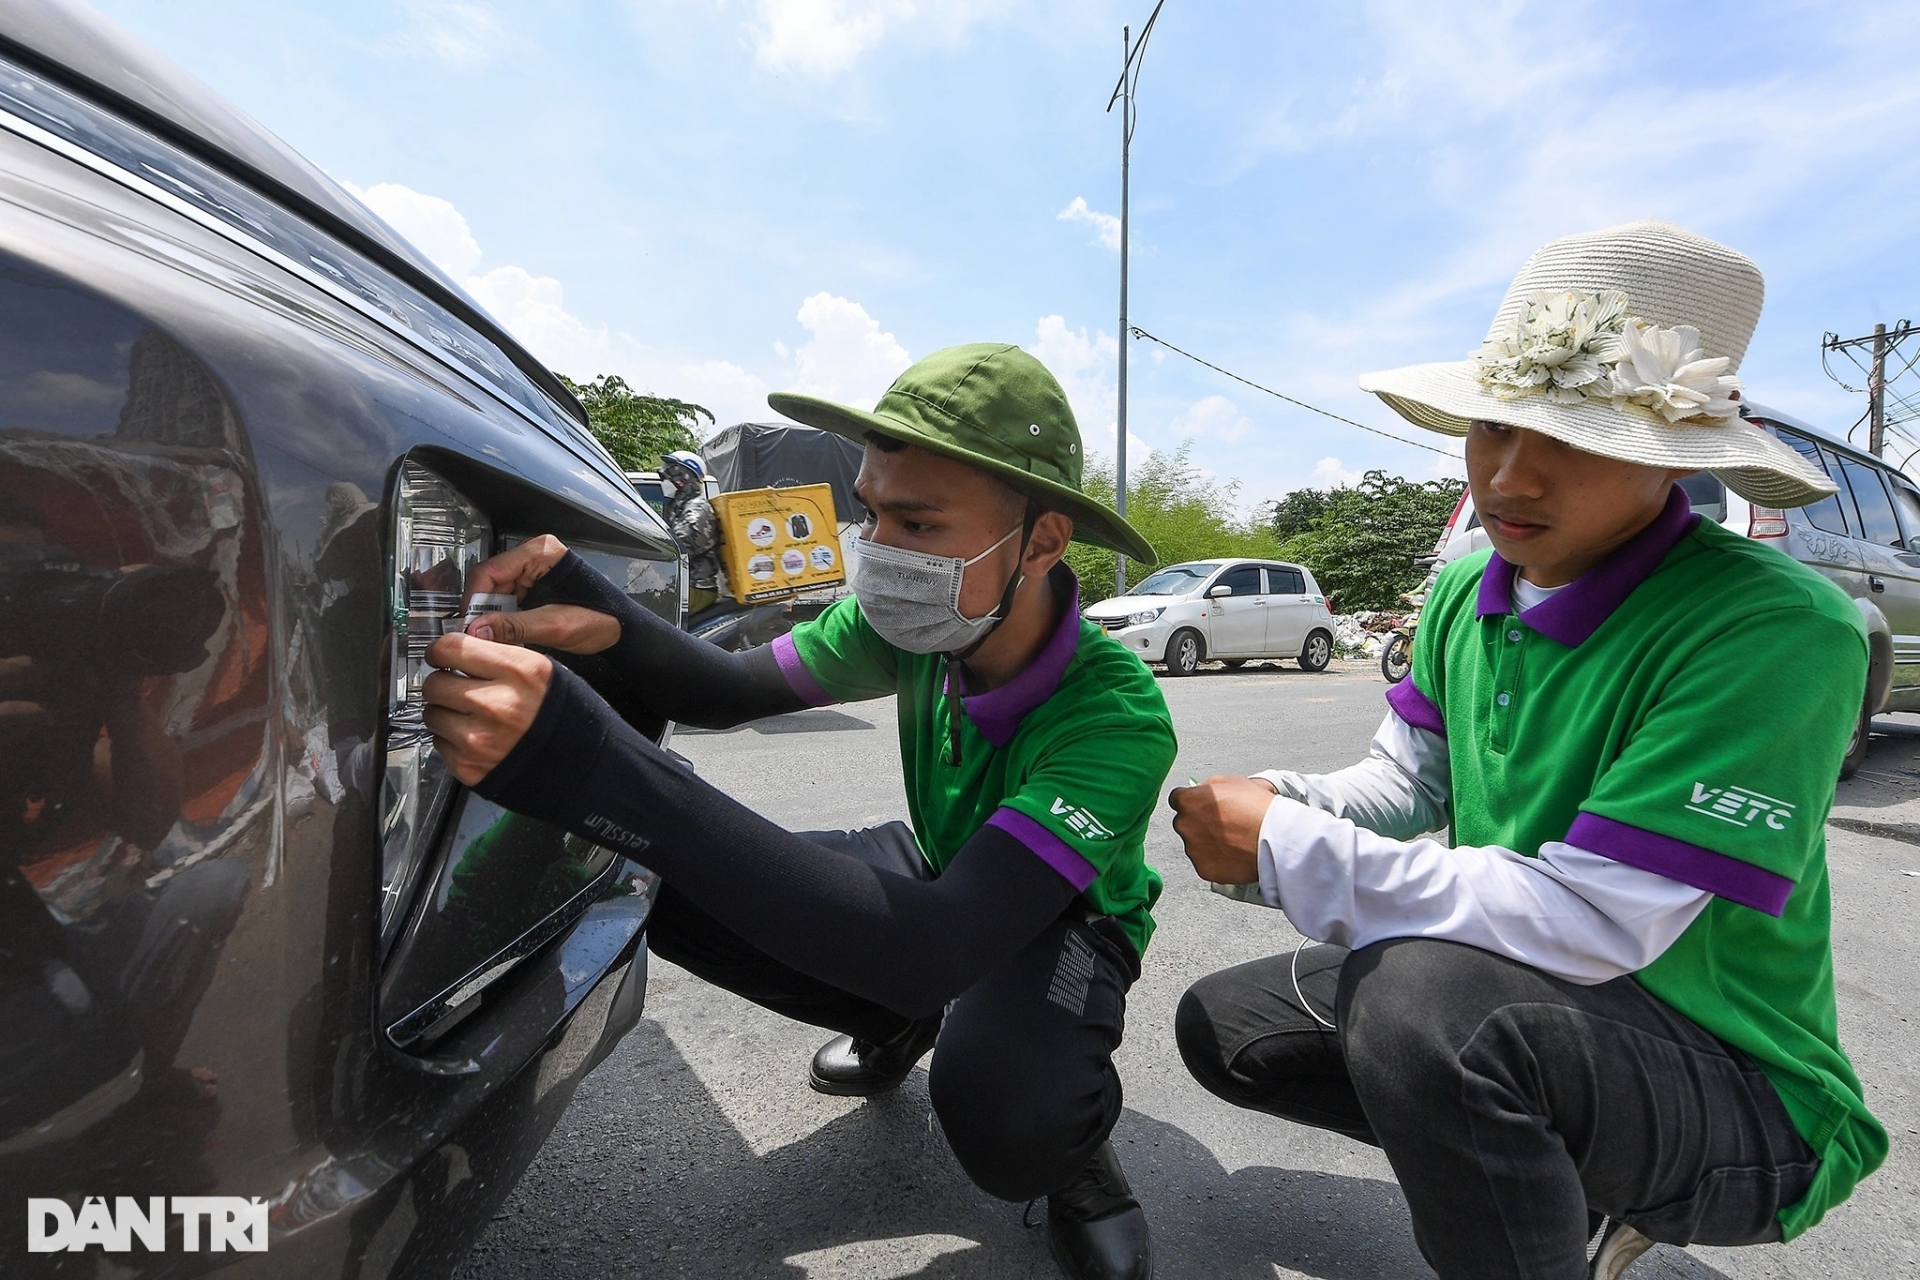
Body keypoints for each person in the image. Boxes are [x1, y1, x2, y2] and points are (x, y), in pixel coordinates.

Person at [1167, 222, 1887, 1280]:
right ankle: (1558, 1177)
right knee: (1230, 1024)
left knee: (1424, 1007)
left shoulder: (1777, 629)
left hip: (1743, 1085)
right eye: (1492, 426)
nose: (1511, 477)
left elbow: (1595, 917)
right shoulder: (1468, 587)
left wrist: (1288, 848)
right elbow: (1405, 783)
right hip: (1542, 1001)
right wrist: (1275, 797)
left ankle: (1569, 1208)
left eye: (1582, 440)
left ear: (1672, 460)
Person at [420, 344, 1175, 1280]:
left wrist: (595, 766)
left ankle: (1077, 1162)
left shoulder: (1115, 715)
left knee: (1006, 1112)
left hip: (1061, 919)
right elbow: (727, 687)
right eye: (872, 512)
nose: (882, 548)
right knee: (672, 882)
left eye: (919, 521)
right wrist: (597, 612)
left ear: (1045, 541)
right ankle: (898, 1023)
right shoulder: (919, 624)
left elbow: (939, 944)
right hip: (944, 876)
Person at [660, 448, 724, 616]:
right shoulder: (679, 506)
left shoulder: (697, 507)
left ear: (683, 478)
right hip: (682, 583)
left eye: (667, 477)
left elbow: (682, 547)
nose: (664, 481)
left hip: (696, 587)